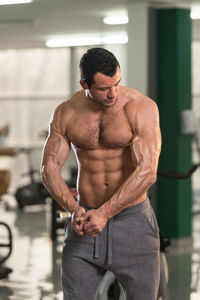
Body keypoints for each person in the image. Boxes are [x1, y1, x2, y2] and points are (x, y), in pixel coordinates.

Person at [41, 47, 162, 300]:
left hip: (133, 222)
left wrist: (105, 213)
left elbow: (148, 171)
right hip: (84, 221)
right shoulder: (67, 112)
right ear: (84, 83)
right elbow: (49, 167)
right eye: (104, 88)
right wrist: (74, 209)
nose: (113, 93)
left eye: (117, 83)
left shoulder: (140, 107)